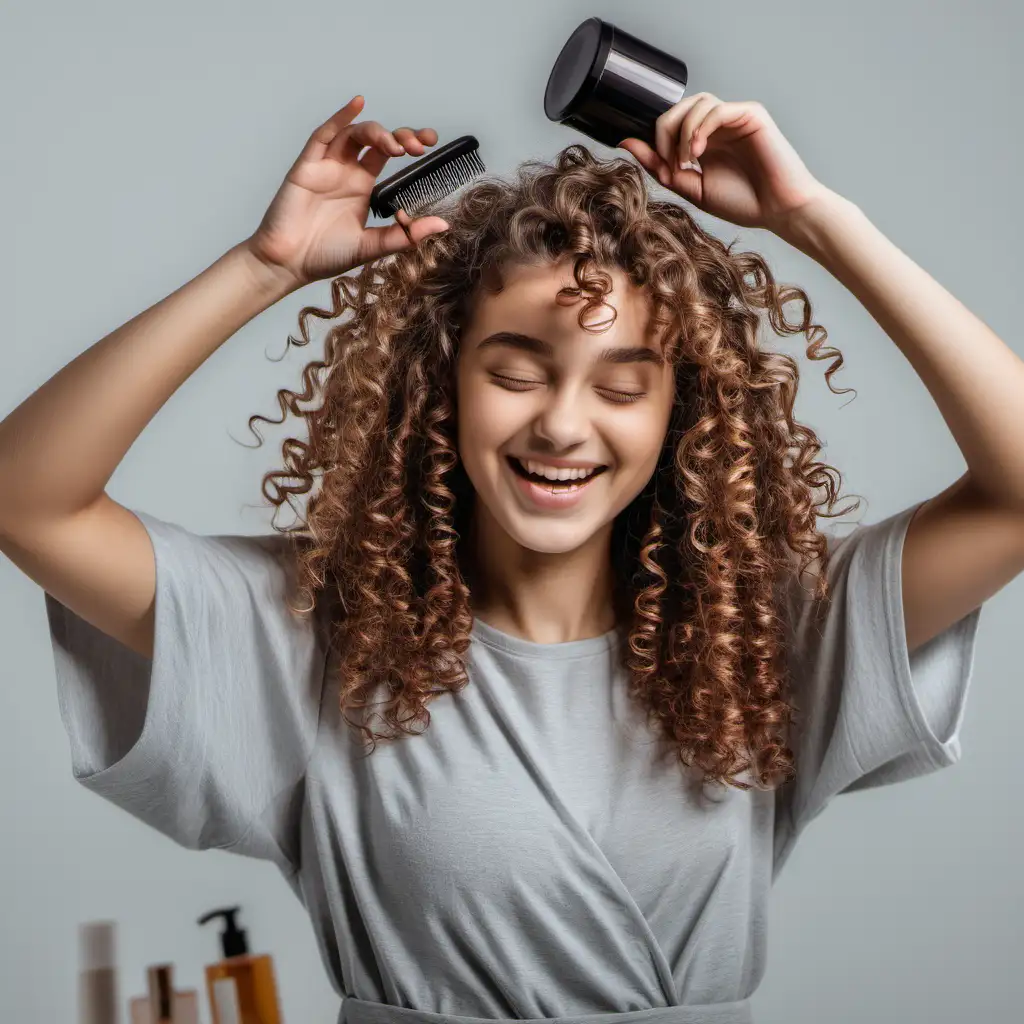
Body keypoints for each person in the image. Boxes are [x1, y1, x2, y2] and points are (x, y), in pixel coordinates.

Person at [2, 91, 1021, 1024]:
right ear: (440, 384)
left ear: (681, 415)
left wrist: (813, 221)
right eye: (516, 372)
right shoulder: (314, 632)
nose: (563, 426)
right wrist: (264, 267)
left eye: (621, 388)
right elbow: (26, 500)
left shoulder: (757, 634)